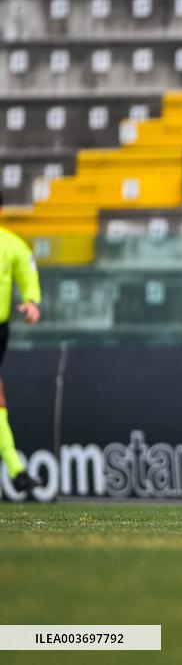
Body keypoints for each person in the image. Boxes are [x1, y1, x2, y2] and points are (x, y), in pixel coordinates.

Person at [0, 191, 43, 494]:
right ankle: (16, 469)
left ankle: (16, 469)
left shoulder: (12, 245)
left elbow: (28, 276)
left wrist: (31, 302)